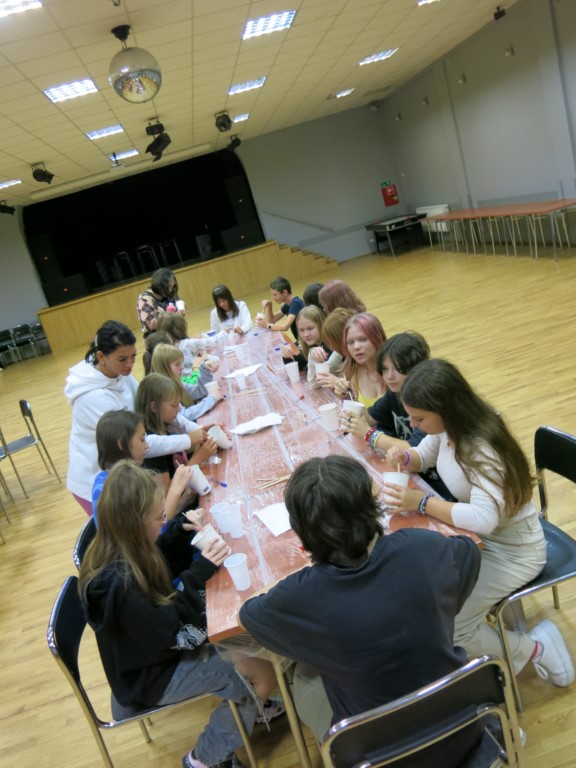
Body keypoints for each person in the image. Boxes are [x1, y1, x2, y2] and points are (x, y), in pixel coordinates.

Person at [239, 455, 487, 765]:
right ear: (373, 508)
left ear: (302, 536)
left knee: (303, 675)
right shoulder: (423, 546)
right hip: (463, 727)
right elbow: (469, 552)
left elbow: (248, 615)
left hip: (383, 756)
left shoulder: (300, 595)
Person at [385, 359, 575, 689]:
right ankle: (509, 642)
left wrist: (423, 503)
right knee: (436, 597)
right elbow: (423, 455)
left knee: (453, 626)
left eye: (419, 418)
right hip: (479, 538)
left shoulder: (480, 447)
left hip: (515, 550)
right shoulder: (447, 431)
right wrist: (405, 457)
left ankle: (535, 648)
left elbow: (484, 519)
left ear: (445, 409)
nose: (413, 424)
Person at [79, 460, 273, 768]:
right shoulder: (121, 584)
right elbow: (179, 634)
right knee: (257, 675)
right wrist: (199, 572)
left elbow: (160, 562)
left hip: (152, 656)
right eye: (159, 517)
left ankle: (252, 708)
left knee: (251, 655)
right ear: (135, 524)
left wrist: (178, 532)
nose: (163, 520)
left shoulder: (125, 547)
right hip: (151, 676)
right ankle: (203, 759)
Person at [65, 320, 198, 515]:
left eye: (133, 356)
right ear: (101, 356)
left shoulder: (120, 373)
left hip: (122, 469)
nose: (130, 364)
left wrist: (194, 429)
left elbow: (154, 407)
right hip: (95, 479)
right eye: (122, 359)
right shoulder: (92, 397)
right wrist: (188, 439)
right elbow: (135, 442)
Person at [92, 410, 196, 524]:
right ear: (122, 444)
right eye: (142, 440)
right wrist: (175, 489)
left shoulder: (114, 477)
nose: (147, 445)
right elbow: (157, 527)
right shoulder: (121, 488)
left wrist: (181, 503)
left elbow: (155, 520)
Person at [135, 373, 217, 492]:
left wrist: (202, 438)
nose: (178, 409)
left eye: (179, 404)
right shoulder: (152, 448)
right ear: (154, 407)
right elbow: (167, 492)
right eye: (174, 405)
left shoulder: (168, 425)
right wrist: (198, 457)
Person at [320, 312, 386, 407]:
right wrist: (346, 396)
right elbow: (360, 411)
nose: (356, 347)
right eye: (350, 342)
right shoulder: (355, 371)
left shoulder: (395, 371)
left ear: (378, 337)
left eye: (362, 339)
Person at [151, 343, 222, 421]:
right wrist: (211, 399)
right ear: (164, 368)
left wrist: (204, 368)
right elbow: (184, 416)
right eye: (177, 364)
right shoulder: (164, 391)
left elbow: (199, 391)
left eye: (182, 363)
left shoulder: (177, 382)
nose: (182, 367)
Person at [293, 306, 339, 387]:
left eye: (310, 329)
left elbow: (317, 380)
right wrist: (286, 355)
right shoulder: (306, 343)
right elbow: (297, 365)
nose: (306, 334)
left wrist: (311, 354)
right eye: (301, 330)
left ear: (321, 325)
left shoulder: (332, 346)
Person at [137, 268, 182, 338]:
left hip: (173, 333)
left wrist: (181, 312)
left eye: (172, 287)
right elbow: (150, 324)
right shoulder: (145, 298)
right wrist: (171, 318)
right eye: (169, 288)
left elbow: (177, 308)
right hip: (156, 338)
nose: (171, 290)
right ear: (160, 286)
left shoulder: (168, 294)